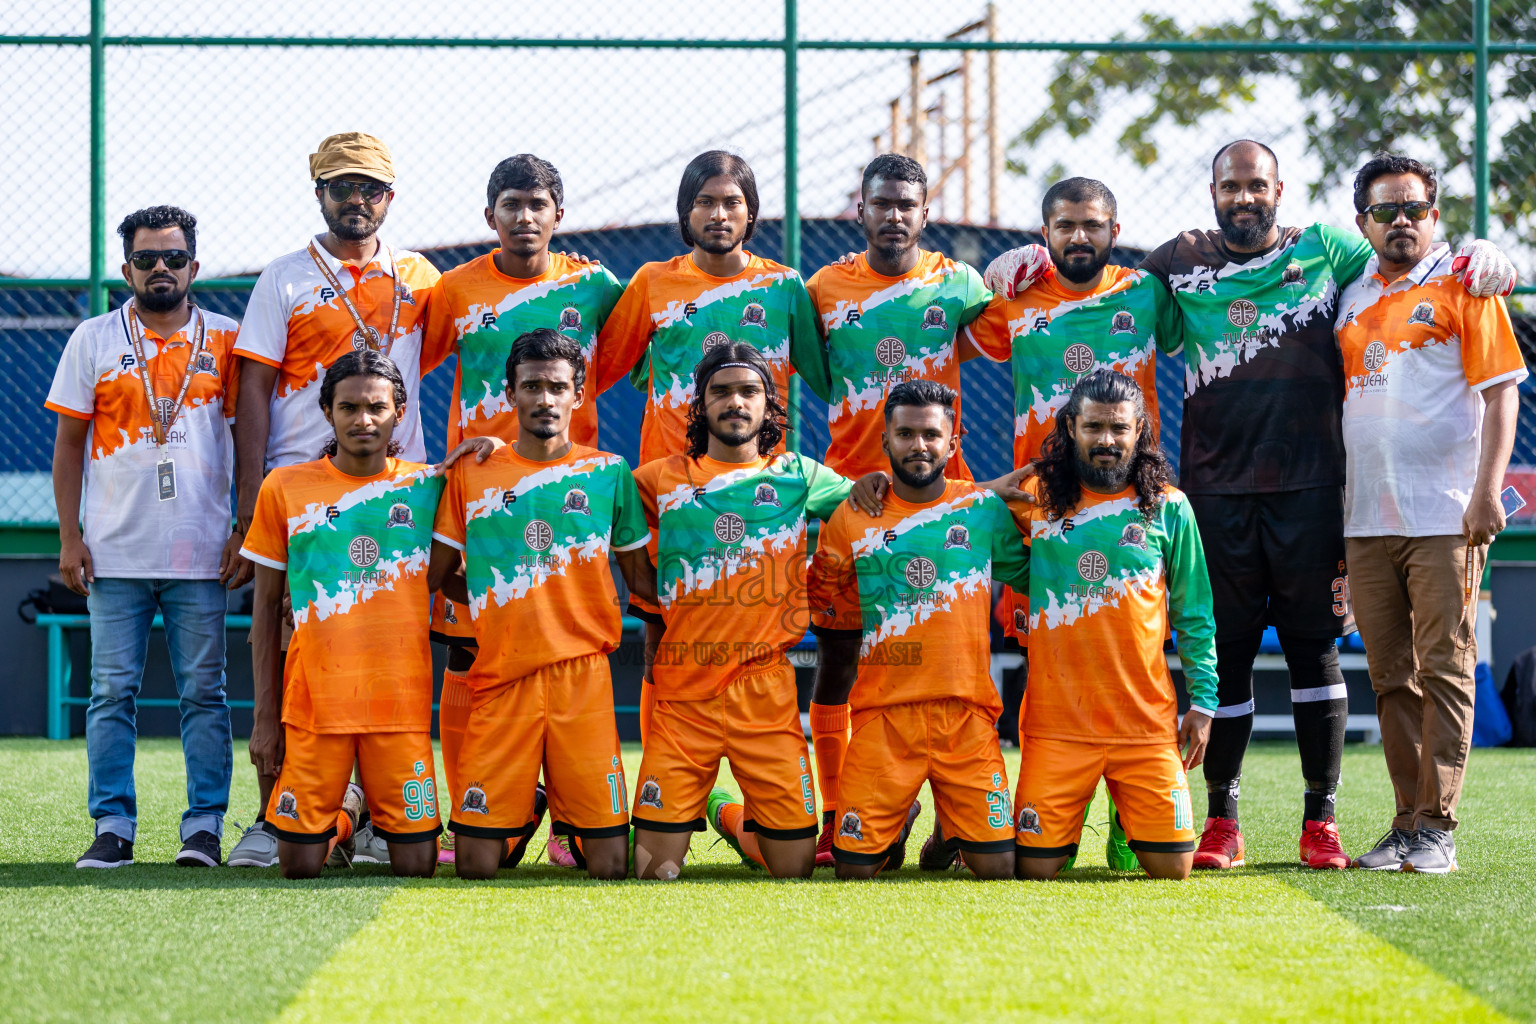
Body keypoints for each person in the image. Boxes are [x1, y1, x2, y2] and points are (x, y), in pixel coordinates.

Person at [982, 140, 1517, 871]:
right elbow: (1092, 275)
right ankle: (1222, 822)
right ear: (1212, 192)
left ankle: (1320, 821)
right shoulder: (1176, 262)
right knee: (1227, 656)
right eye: (1231, 186)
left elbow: (1412, 262)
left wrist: (1482, 253)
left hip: (1313, 490)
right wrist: (1017, 262)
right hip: (1214, 491)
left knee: (1314, 653)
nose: (1244, 197)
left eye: (1256, 185)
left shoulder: (1328, 249)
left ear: (1279, 189)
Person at [229, 132, 445, 868]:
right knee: (295, 645)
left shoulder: (420, 275)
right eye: (342, 186)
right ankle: (276, 811)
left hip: (396, 490)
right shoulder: (284, 277)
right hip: (302, 487)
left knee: (388, 640)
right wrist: (247, 501)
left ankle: (377, 812)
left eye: (372, 188)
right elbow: (252, 388)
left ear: (392, 195)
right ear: (318, 191)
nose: (357, 200)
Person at [960, 176, 1184, 873]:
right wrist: (982, 285)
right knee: (1039, 649)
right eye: (1064, 225)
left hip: (1130, 503)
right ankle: (1019, 807)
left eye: (1092, 224)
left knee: (1137, 644)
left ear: (1114, 231)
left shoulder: (1145, 292)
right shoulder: (1018, 296)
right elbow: (946, 342)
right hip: (1042, 508)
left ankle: (1131, 814)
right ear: (1045, 231)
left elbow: (1207, 308)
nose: (1078, 237)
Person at [419, 153, 623, 867]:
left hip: (566, 506)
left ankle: (574, 820)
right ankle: (469, 811)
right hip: (481, 497)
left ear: (558, 215)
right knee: (469, 652)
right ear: (489, 216)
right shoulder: (454, 289)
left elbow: (637, 346)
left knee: (568, 653)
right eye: (511, 204)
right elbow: (398, 363)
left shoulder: (594, 285)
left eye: (538, 204)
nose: (525, 217)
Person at [591, 150, 830, 751]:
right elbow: (599, 371)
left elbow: (831, 379)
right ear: (685, 212)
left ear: (751, 214)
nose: (718, 213)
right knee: (661, 640)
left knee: (766, 644)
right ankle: (662, 787)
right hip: (671, 498)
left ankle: (769, 804)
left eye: (732, 203)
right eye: (705, 202)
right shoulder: (651, 283)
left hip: (759, 497)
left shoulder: (783, 287)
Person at [802, 153, 1004, 866]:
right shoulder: (823, 289)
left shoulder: (958, 284)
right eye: (881, 203)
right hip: (852, 500)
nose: (894, 215)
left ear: (924, 213)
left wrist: (1026, 261)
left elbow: (1011, 328)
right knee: (838, 655)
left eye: (906, 205)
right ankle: (839, 812)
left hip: (934, 500)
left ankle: (958, 813)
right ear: (860, 209)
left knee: (957, 655)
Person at [1336, 154, 1525, 874]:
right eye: (1386, 210)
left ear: (1434, 216)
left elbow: (1503, 392)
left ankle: (1438, 827)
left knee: (1445, 668)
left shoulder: (1467, 285)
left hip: (1445, 511)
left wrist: (1486, 490)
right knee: (1390, 677)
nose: (1402, 221)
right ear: (1364, 223)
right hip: (1366, 521)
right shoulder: (1349, 296)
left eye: (1415, 207)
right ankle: (1405, 822)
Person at [48, 206, 245, 869]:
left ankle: (204, 829)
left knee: (205, 694)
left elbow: (252, 443)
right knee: (111, 693)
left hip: (203, 551)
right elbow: (68, 446)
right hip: (114, 550)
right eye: (145, 258)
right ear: (126, 267)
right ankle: (113, 827)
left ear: (195, 263)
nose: (160, 268)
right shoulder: (94, 338)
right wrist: (69, 537)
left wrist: (245, 528)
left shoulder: (229, 340)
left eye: (173, 257)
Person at [427, 329, 655, 880]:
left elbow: (642, 582)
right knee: (475, 868)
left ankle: (571, 811)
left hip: (583, 679)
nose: (545, 399)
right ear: (510, 393)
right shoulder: (472, 471)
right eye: (532, 386)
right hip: (502, 675)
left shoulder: (608, 473)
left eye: (558, 387)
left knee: (610, 867)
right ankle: (527, 803)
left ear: (578, 395)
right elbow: (434, 577)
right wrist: (494, 593)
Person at [628, 343, 855, 880]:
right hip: (685, 696)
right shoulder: (658, 479)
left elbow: (898, 504)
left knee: (794, 869)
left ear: (769, 406)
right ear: (700, 406)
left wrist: (981, 491)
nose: (735, 402)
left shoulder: (799, 475)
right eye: (721, 391)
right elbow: (587, 502)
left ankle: (726, 814)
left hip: (765, 696)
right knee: (650, 870)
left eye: (749, 391)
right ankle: (703, 804)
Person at [809, 379, 1027, 881]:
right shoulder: (853, 514)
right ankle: (899, 818)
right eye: (905, 434)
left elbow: (1034, 573)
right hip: (884, 717)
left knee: (998, 869)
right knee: (854, 870)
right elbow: (821, 594)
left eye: (931, 435)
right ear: (885, 441)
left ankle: (953, 827)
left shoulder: (982, 510)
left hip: (965, 715)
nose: (918, 445)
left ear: (954, 443)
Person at [240, 351, 444, 879]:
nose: (363, 420)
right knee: (300, 867)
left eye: (377, 407)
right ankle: (342, 820)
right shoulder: (285, 487)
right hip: (315, 707)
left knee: (417, 865)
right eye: (348, 407)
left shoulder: (430, 487)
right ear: (326, 411)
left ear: (400, 410)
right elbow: (263, 612)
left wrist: (487, 447)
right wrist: (266, 719)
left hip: (398, 707)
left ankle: (349, 811)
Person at [1011, 369, 1217, 881]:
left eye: (1119, 429)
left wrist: (1205, 701)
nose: (1107, 441)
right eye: (1094, 428)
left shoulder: (1170, 507)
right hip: (1058, 726)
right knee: (1035, 870)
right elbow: (961, 515)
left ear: (1140, 431)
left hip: (1143, 726)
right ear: (1071, 429)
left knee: (1173, 869)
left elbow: (1195, 612)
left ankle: (1128, 817)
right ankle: (1072, 812)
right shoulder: (1035, 499)